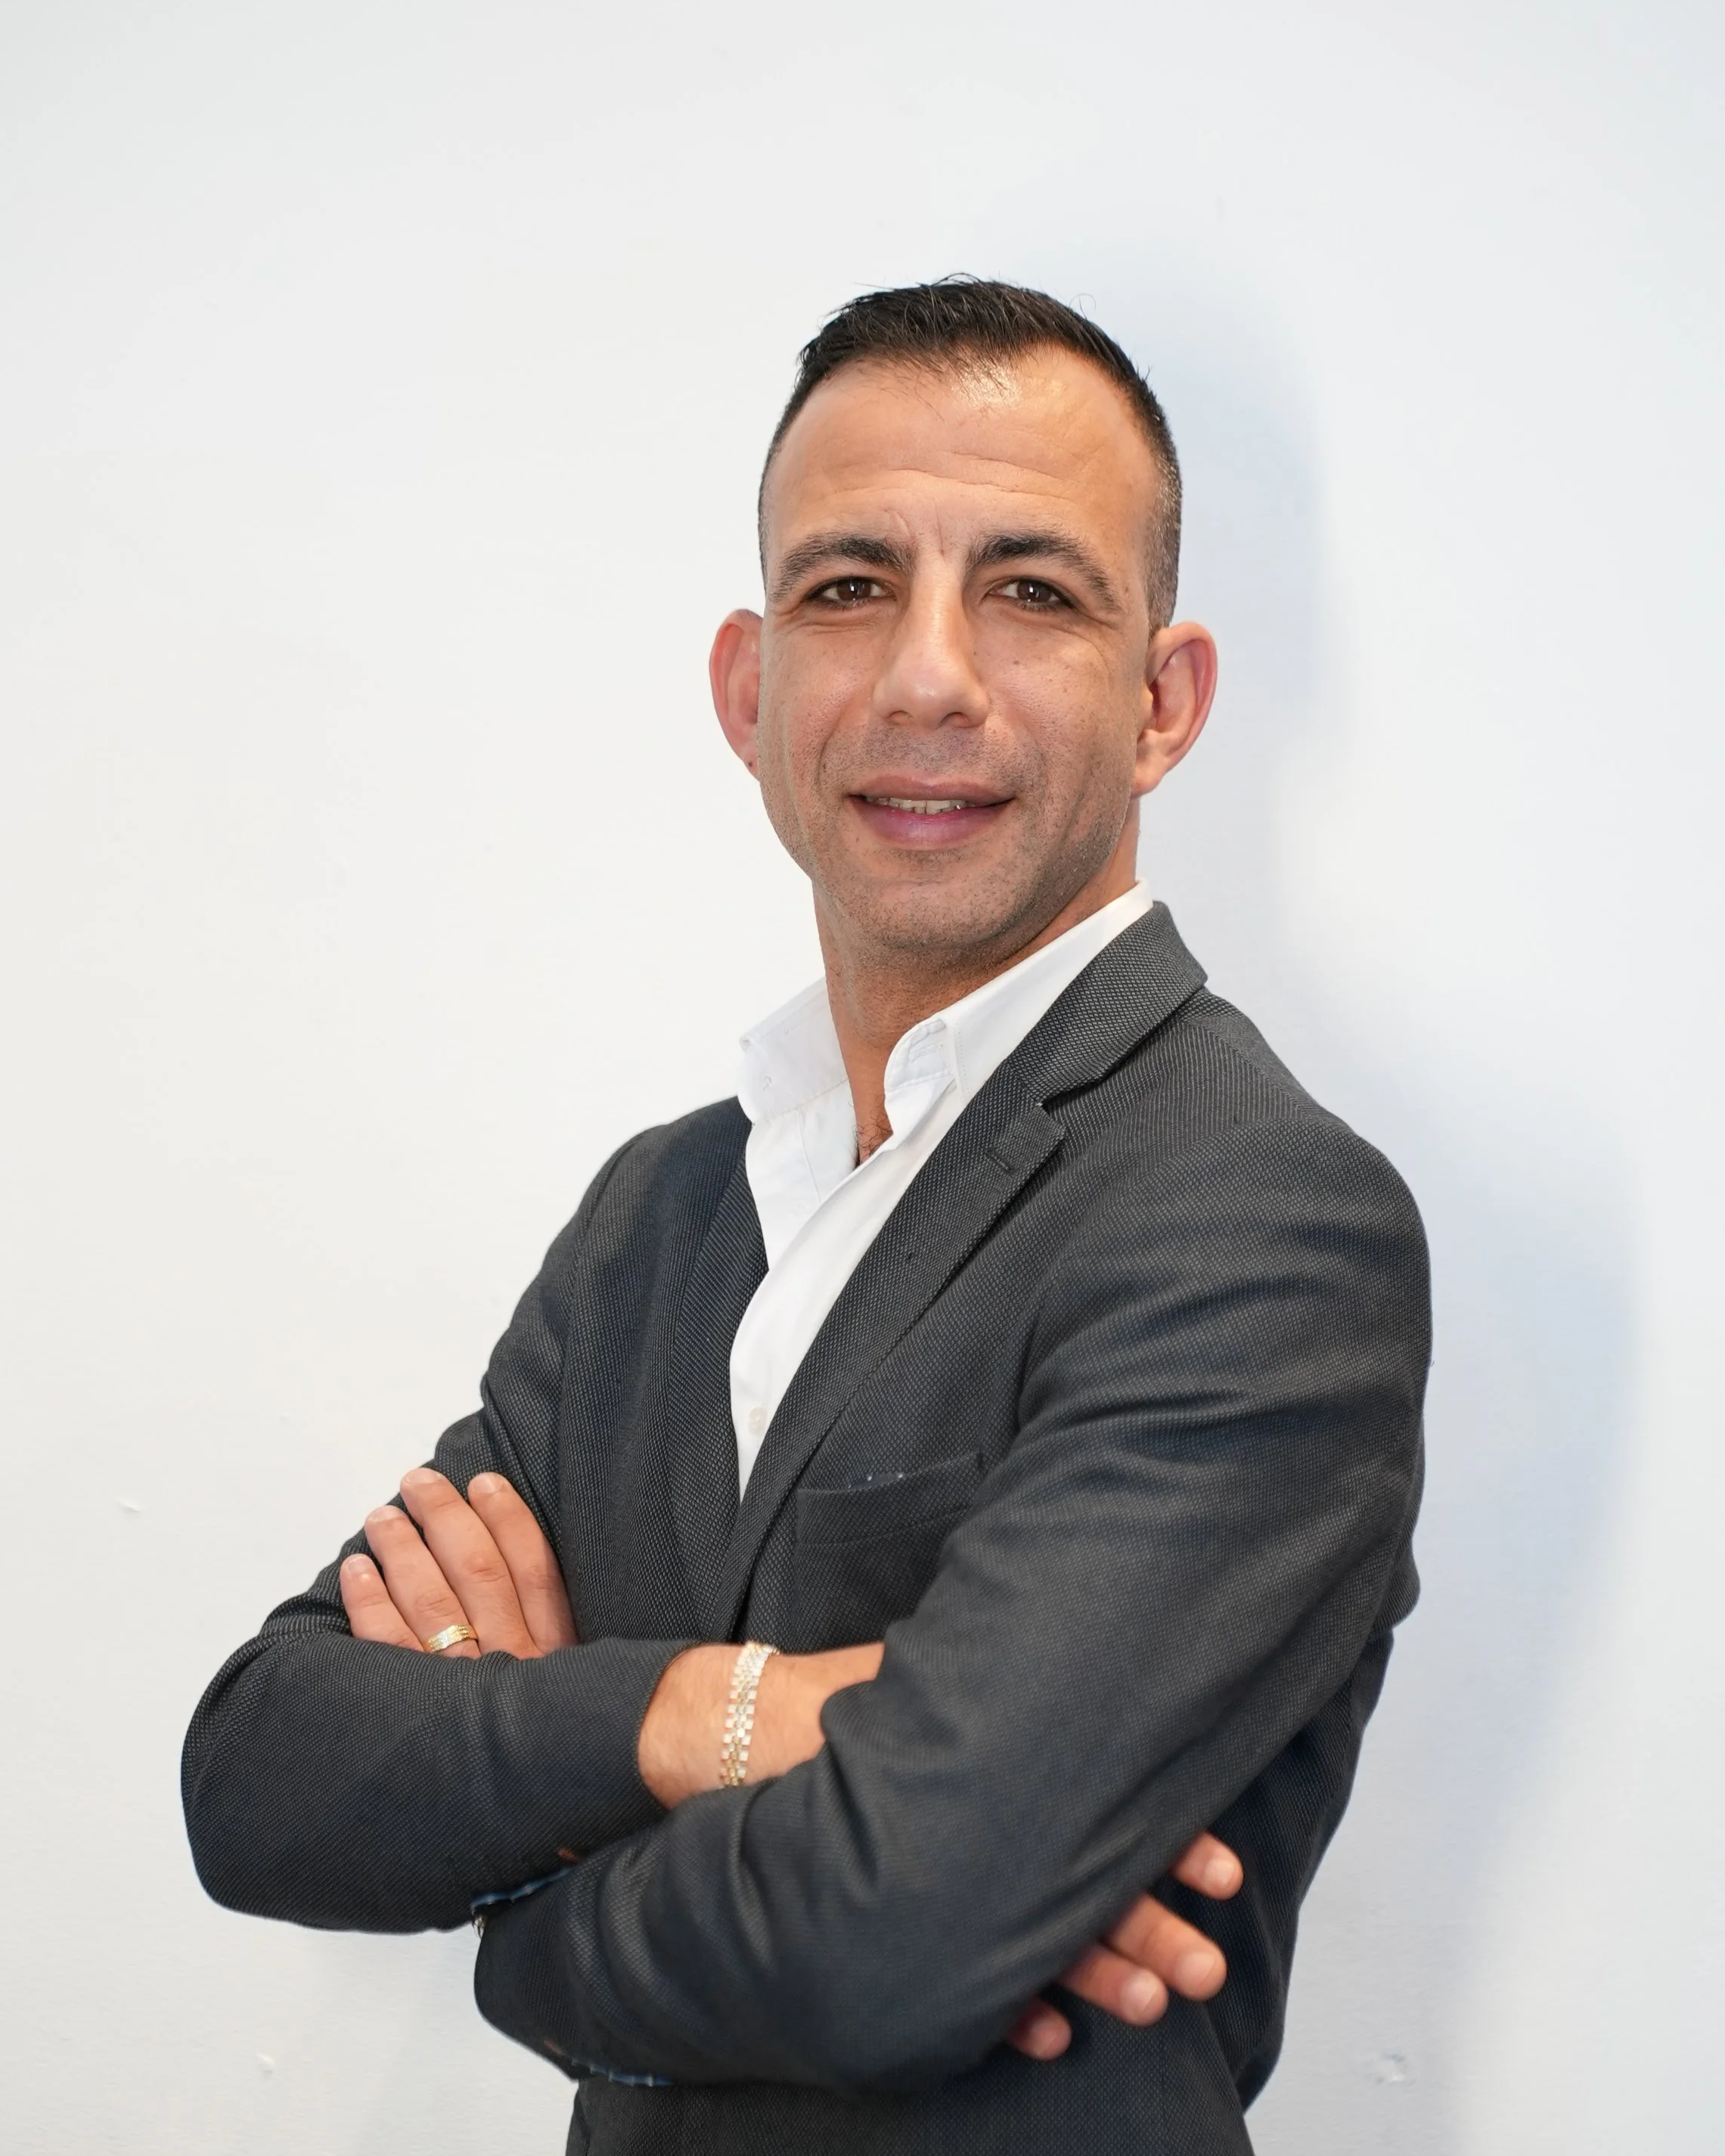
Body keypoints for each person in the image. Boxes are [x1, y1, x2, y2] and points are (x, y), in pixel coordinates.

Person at [183, 278, 1428, 2153]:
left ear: (1162, 703)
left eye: (1031, 589)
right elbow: (264, 1772)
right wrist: (726, 1717)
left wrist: (517, 1914)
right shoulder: (663, 1215)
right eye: (850, 589)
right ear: (750, 695)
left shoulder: (1257, 1221)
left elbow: (886, 1937)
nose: (928, 676)